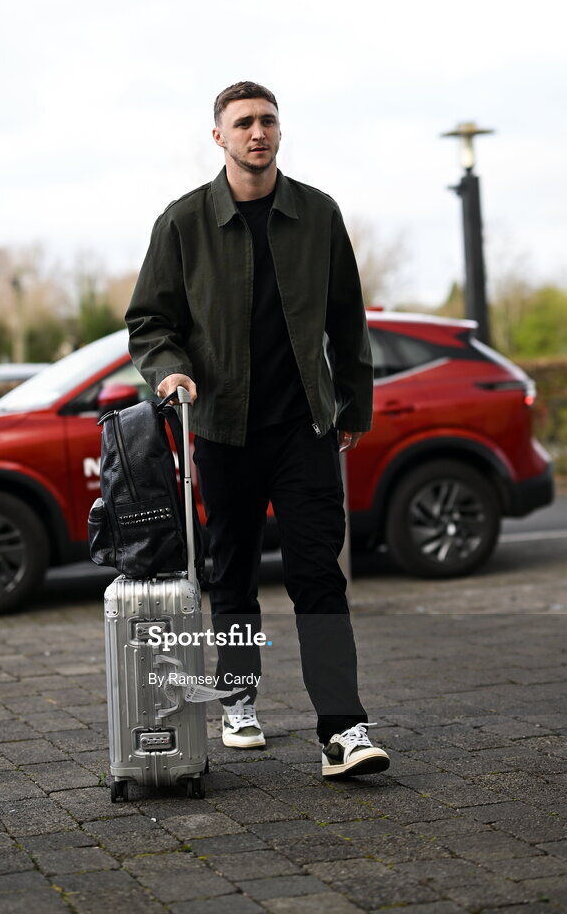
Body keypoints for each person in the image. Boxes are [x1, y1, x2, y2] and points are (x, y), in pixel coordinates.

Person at [125, 81, 389, 778]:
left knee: (316, 577)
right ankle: (238, 697)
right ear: (219, 137)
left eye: (268, 120)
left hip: (305, 428)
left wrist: (353, 408)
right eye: (243, 123)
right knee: (232, 574)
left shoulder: (317, 214)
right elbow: (149, 322)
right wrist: (170, 371)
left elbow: (347, 319)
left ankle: (344, 728)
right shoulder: (184, 223)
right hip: (223, 428)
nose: (258, 132)